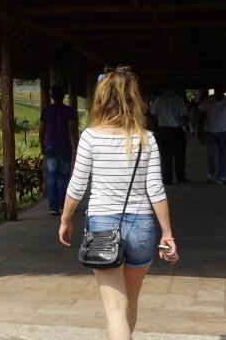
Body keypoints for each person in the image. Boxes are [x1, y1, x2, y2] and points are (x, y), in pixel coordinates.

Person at [59, 67, 179, 340]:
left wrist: (65, 219)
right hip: (142, 227)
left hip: (102, 225)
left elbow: (77, 185)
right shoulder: (147, 138)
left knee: (115, 309)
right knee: (129, 303)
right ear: (133, 100)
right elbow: (156, 190)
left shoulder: (90, 137)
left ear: (101, 99)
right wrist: (167, 234)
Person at [39, 85, 77, 215]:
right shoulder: (68, 111)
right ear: (63, 96)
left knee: (51, 177)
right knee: (63, 178)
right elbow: (71, 130)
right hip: (64, 148)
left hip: (50, 148)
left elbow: (41, 129)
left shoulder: (46, 110)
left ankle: (53, 207)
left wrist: (42, 145)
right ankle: (62, 206)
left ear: (52, 96)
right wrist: (74, 146)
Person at [149, 88, 189, 184]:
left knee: (165, 156)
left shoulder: (159, 99)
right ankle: (180, 177)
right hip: (177, 131)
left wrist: (155, 128)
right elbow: (184, 116)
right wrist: (187, 129)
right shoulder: (178, 99)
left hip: (163, 131)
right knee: (180, 155)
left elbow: (153, 115)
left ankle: (167, 178)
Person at [200, 91, 226, 184]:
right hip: (210, 132)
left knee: (224, 155)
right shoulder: (206, 102)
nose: (219, 92)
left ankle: (222, 176)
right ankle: (210, 172)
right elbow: (202, 116)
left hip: (225, 132)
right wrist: (199, 129)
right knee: (210, 154)